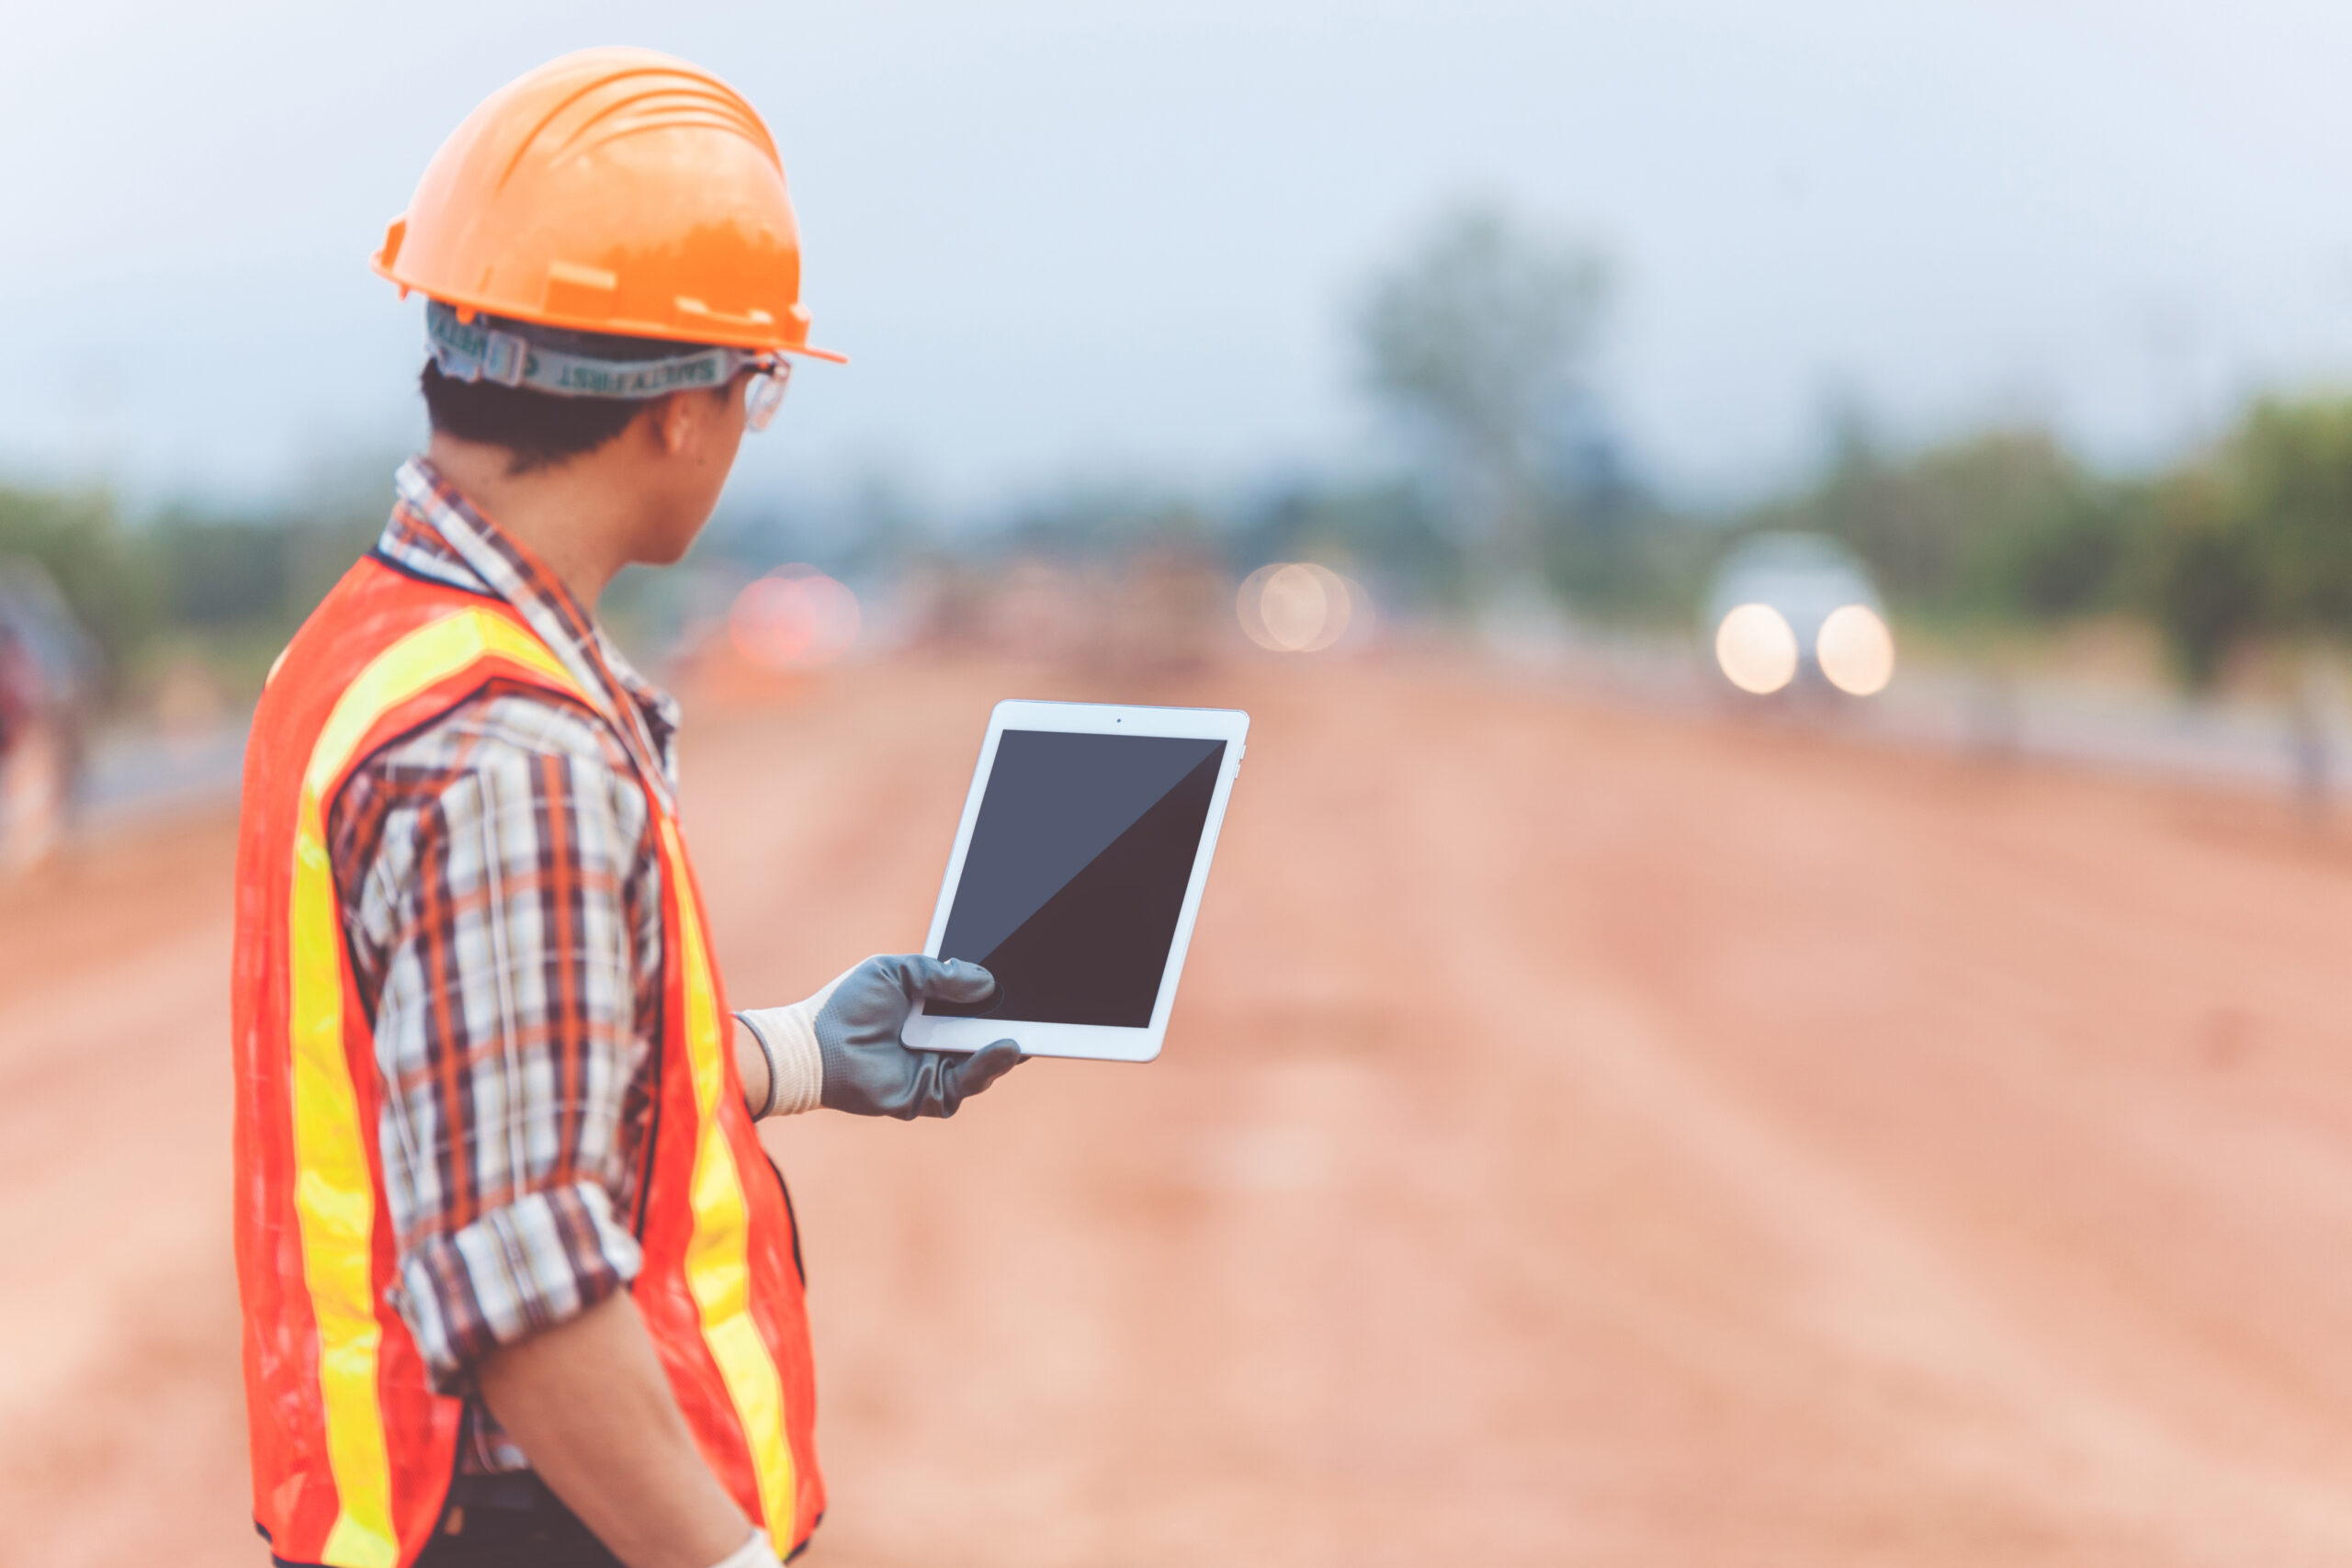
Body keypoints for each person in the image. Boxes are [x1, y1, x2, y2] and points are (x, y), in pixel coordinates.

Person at [230, 49, 1023, 1568]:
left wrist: (791, 1056)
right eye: (758, 384)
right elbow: (520, 1293)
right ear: (679, 412)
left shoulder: (368, 644)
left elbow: (455, 1087)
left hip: (404, 1511)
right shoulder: (507, 744)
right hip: (530, 1526)